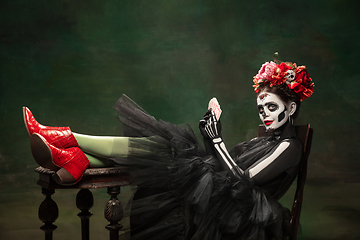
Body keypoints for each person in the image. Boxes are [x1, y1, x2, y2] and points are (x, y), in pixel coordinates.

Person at [23, 55, 314, 239]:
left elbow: (246, 180)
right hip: (224, 194)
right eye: (261, 107)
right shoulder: (262, 139)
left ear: (290, 108)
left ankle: (66, 139)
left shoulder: (290, 147)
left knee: (163, 149)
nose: (263, 113)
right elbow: (226, 165)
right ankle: (76, 157)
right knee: (160, 149)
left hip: (242, 214)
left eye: (271, 107)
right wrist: (211, 131)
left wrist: (216, 140)